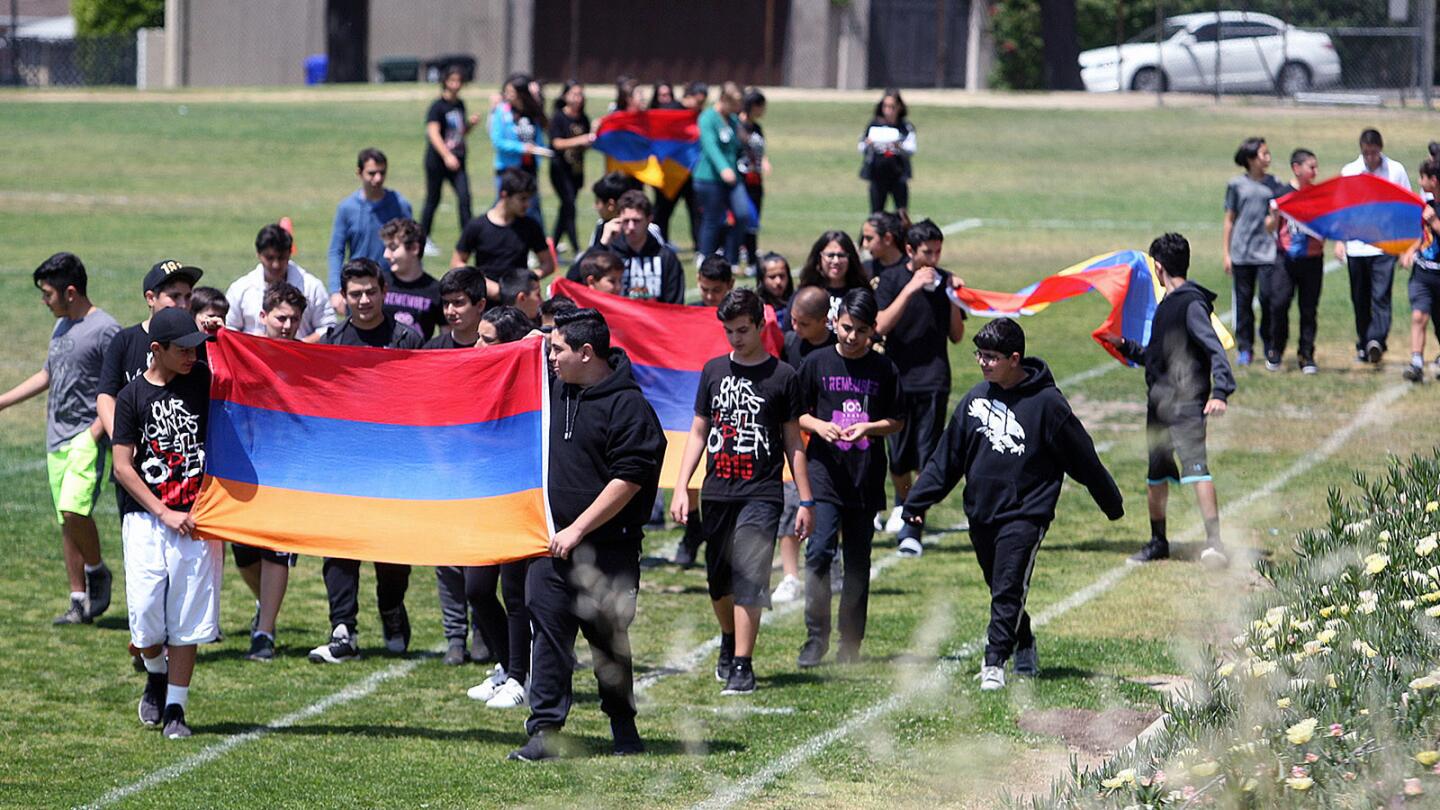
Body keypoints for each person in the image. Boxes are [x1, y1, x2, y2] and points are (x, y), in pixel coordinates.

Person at [903, 317, 1123, 691]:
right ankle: (1024, 641)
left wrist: (1111, 502)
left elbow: (1082, 456)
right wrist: (915, 505)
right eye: (980, 355)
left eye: (991, 357)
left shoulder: (1047, 404)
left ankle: (994, 663)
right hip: (981, 511)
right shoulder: (976, 399)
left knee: (1007, 586)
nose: (984, 363)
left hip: (1026, 512)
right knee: (1002, 586)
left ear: (1015, 358)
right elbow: (947, 459)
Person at [510, 308, 665, 761]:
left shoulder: (628, 406)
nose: (551, 357)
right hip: (551, 549)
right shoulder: (553, 386)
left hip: (608, 552)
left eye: (559, 350)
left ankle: (623, 725)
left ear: (587, 353)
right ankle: (545, 731)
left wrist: (578, 529)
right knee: (550, 638)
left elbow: (630, 476)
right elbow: (512, 351)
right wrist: (535, 338)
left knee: (608, 644)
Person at [669, 289, 813, 696]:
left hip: (762, 493)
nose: (735, 338)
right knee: (719, 582)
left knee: (750, 576)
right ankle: (729, 639)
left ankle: (742, 664)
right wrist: (683, 487)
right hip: (717, 492)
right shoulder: (713, 371)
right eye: (729, 331)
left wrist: (805, 499)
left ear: (761, 325)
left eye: (743, 330)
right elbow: (698, 432)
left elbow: (793, 442)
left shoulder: (783, 376)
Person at [111, 307, 218, 738]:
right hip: (147, 520)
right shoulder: (131, 397)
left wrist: (215, 333)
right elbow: (122, 466)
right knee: (146, 620)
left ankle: (176, 708)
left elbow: (236, 363)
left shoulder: (202, 380)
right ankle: (155, 672)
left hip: (195, 519)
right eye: (183, 349)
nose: (192, 355)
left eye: (196, 348)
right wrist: (162, 512)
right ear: (157, 350)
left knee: (187, 618)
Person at [309, 261, 423, 664]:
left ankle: (392, 609)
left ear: (384, 290)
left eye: (370, 292)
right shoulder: (332, 341)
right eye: (354, 294)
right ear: (343, 297)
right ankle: (343, 627)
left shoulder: (407, 339)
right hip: (344, 466)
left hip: (394, 466)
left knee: (391, 550)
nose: (363, 300)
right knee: (338, 547)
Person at [0, 253, 120, 625]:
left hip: (87, 436)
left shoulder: (105, 329)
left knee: (74, 509)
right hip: (55, 438)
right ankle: (78, 599)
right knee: (66, 521)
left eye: (48, 294)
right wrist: (3, 402)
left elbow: (117, 386)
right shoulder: (61, 326)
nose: (43, 301)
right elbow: (47, 374)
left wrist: (96, 431)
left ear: (71, 292)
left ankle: (97, 570)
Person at [1105, 233, 1234, 568]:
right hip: (1159, 404)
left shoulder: (1190, 304)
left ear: (1158, 267)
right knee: (1156, 474)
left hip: (1187, 405)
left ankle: (1215, 544)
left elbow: (1214, 348)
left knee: (1197, 470)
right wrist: (1123, 344)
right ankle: (1158, 541)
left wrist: (1220, 392)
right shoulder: (1167, 306)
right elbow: (1155, 357)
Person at [796, 288, 904, 666]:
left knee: (858, 561)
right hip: (824, 472)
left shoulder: (883, 368)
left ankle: (850, 643)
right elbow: (797, 414)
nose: (852, 337)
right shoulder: (816, 362)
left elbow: (897, 420)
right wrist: (821, 426)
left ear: (873, 330)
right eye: (846, 328)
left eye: (861, 330)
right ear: (835, 322)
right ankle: (815, 638)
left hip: (864, 477)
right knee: (820, 551)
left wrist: (869, 428)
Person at [875, 218, 967, 555]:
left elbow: (957, 336)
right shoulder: (891, 280)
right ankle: (904, 500)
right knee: (898, 460)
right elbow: (880, 325)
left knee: (926, 459)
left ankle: (913, 526)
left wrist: (956, 299)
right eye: (928, 252)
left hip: (933, 380)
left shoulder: (945, 282)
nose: (934, 259)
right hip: (897, 381)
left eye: (939, 252)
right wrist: (912, 286)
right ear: (911, 251)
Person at [98, 260, 204, 544]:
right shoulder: (126, 340)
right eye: (174, 296)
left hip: (184, 477)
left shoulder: (194, 346)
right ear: (150, 298)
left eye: (187, 296)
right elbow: (107, 395)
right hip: (139, 469)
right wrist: (121, 437)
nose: (182, 304)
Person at [234, 283, 307, 662]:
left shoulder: (307, 359)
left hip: (288, 474)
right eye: (281, 317)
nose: (288, 324)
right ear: (263, 317)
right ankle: (267, 609)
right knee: (244, 553)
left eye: (295, 319)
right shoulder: (243, 352)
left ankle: (265, 631)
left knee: (277, 551)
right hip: (245, 470)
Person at [772, 285, 838, 604]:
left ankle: (831, 562)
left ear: (825, 320)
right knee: (789, 503)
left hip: (829, 441)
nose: (795, 329)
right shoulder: (788, 343)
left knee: (827, 504)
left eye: (803, 323)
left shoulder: (839, 349)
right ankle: (789, 575)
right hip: (793, 437)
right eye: (792, 321)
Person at [1340, 128, 1413, 365]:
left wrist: (1406, 246)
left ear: (1381, 149)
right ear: (1361, 150)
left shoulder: (1395, 170)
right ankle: (1364, 343)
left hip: (1384, 247)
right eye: (1366, 153)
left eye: (1374, 153)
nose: (1371, 158)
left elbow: (1407, 206)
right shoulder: (1350, 171)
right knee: (1360, 298)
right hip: (1356, 246)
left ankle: (1376, 341)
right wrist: (1340, 242)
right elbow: (1342, 210)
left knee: (1381, 296)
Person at [1222, 136, 1284, 368]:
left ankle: (1268, 342)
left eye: (1268, 154)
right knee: (1243, 302)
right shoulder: (1236, 185)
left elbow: (1274, 223)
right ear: (1250, 159)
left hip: (1266, 252)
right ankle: (1245, 348)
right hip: (1241, 252)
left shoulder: (1275, 184)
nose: (1268, 158)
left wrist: (1273, 220)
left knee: (1268, 298)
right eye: (1263, 154)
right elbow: (1229, 220)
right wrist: (1226, 253)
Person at [328, 147, 414, 311]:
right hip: (359, 287)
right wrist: (334, 290)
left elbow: (412, 249)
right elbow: (336, 250)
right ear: (359, 173)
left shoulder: (400, 206)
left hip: (393, 289)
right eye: (372, 173)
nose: (378, 178)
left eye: (382, 173)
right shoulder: (347, 208)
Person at [225, 223, 336, 342]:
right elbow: (229, 328)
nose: (275, 265)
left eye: (281, 258)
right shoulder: (241, 288)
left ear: (289, 254)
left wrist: (299, 346)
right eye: (270, 258)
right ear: (258, 254)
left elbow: (328, 327)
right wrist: (253, 343)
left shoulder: (312, 287)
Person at [1268, 148, 1324, 375]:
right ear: (1296, 168)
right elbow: (1269, 228)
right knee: (1279, 304)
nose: (1315, 171)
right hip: (1286, 259)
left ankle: (1306, 354)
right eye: (1311, 167)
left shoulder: (1319, 194)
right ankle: (1276, 350)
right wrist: (1274, 214)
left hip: (1313, 259)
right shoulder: (1281, 193)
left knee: (1308, 309)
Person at [452, 168, 556, 282]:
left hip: (517, 298)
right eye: (522, 199)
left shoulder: (530, 226)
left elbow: (548, 264)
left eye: (529, 199)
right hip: (486, 296)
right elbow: (457, 262)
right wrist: (483, 284)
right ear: (504, 195)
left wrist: (525, 280)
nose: (527, 205)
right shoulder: (477, 226)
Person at [421, 65, 482, 253]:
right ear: (445, 82)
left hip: (458, 159)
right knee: (433, 198)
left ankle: (469, 239)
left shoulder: (460, 105)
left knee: (465, 198)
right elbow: (433, 133)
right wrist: (446, 156)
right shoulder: (437, 106)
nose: (455, 85)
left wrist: (470, 125)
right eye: (452, 80)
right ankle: (423, 239)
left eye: (459, 81)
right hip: (437, 161)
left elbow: (458, 133)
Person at [693, 82, 754, 265]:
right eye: (735, 105)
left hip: (733, 178)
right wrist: (723, 168)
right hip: (709, 178)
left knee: (742, 214)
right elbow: (710, 146)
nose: (737, 109)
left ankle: (731, 256)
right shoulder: (707, 118)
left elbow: (739, 143)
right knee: (713, 218)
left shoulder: (733, 120)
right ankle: (705, 256)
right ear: (723, 100)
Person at [490, 73, 553, 226]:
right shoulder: (501, 111)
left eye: (511, 92)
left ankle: (539, 245)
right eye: (506, 92)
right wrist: (522, 148)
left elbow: (538, 137)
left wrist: (540, 150)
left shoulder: (531, 113)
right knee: (503, 205)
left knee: (532, 207)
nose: (507, 95)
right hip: (508, 169)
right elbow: (497, 141)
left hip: (529, 168)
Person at [1402, 158, 1440, 383]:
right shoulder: (1426, 206)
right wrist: (1410, 250)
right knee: (1418, 316)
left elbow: (1433, 228)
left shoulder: (1431, 212)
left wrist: (1435, 221)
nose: (1419, 181)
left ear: (1433, 180)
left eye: (1422, 177)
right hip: (1423, 274)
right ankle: (1416, 362)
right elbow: (1424, 237)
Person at [651, 81, 702, 252]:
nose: (700, 106)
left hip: (689, 171)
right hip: (669, 171)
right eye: (699, 101)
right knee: (663, 211)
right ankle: (659, 244)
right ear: (688, 96)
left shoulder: (698, 114)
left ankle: (700, 247)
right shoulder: (671, 110)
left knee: (696, 210)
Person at [610, 190, 685, 303]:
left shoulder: (666, 257)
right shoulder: (609, 254)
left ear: (649, 219)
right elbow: (578, 282)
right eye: (626, 221)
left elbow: (675, 303)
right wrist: (600, 245)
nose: (631, 227)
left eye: (636, 221)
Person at [379, 217, 445, 340]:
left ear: (414, 248)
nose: (386, 255)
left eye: (393, 248)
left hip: (417, 358)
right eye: (386, 248)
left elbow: (447, 338)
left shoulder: (435, 290)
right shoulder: (379, 284)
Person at [549, 80, 594, 255]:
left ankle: (552, 247)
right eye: (574, 94)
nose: (578, 98)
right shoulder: (559, 117)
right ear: (565, 96)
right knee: (569, 205)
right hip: (560, 170)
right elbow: (556, 143)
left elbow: (585, 146)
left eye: (580, 94)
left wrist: (591, 139)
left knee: (565, 209)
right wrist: (580, 140)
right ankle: (577, 249)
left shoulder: (584, 118)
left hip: (576, 170)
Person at [859, 89, 916, 218]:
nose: (888, 110)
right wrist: (868, 144)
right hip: (878, 175)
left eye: (892, 107)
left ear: (899, 107)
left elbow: (912, 149)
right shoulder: (874, 124)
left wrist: (899, 146)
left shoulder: (905, 127)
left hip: (898, 175)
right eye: (885, 106)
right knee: (876, 215)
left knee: (902, 213)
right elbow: (861, 146)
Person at [796, 230, 871, 326]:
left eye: (841, 255)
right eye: (830, 255)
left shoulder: (862, 294)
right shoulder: (806, 295)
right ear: (819, 257)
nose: (836, 261)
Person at [737, 88, 770, 268]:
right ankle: (746, 255)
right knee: (745, 216)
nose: (763, 111)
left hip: (755, 179)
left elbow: (760, 149)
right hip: (742, 179)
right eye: (761, 106)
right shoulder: (737, 125)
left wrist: (764, 161)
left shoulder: (756, 127)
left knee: (754, 218)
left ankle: (750, 255)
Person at [426, 267, 487, 350]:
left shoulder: (496, 349)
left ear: (480, 305)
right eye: (445, 303)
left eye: (458, 303)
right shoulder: (432, 350)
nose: (450, 311)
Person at [860, 211, 908, 279]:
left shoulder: (911, 270)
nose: (864, 245)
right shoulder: (865, 269)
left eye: (869, 238)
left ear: (887, 239)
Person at [757, 252, 795, 330]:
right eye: (772, 277)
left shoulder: (797, 302)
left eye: (782, 276)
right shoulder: (756, 308)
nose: (778, 281)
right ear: (762, 280)